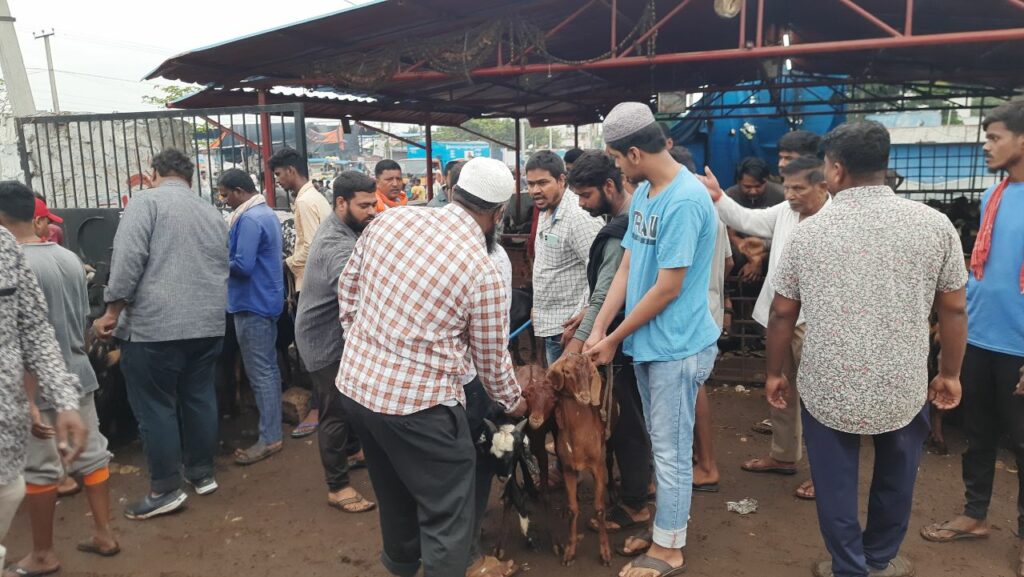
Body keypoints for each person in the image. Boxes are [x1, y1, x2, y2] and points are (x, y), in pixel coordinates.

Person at [766, 120, 967, 577]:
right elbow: (953, 310)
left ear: (834, 170)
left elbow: (782, 313)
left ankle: (848, 566)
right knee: (897, 475)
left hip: (828, 381)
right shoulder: (934, 225)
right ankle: (879, 558)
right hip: (902, 381)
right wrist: (950, 373)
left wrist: (775, 372)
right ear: (884, 164)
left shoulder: (809, 233)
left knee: (835, 483)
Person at [336, 157, 527, 577]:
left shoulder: (391, 222)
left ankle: (402, 568)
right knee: (448, 513)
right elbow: (492, 362)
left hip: (357, 389)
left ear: (454, 192)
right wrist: (514, 404)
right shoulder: (483, 271)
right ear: (498, 214)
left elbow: (348, 292)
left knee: (395, 495)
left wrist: (368, 349)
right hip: (421, 408)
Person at [585, 102, 720, 577]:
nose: (618, 167)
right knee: (663, 440)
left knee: (670, 447)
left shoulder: (683, 199)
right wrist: (600, 326)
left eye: (618, 159)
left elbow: (668, 287)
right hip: (649, 342)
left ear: (636, 152)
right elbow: (627, 265)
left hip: (675, 346)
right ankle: (666, 527)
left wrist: (615, 337)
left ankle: (669, 548)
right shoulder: (645, 193)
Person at [93, 148, 228, 520]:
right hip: (207, 325)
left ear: (154, 173)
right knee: (199, 397)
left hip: (156, 328)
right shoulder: (211, 212)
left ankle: (164, 489)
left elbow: (127, 260)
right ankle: (201, 474)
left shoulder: (146, 202)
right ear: (188, 177)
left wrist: (112, 311)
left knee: (155, 407)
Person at [919, 100, 1024, 577]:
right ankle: (975, 514)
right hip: (981, 338)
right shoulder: (992, 195)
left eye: (995, 136)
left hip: (1020, 347)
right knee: (978, 433)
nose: (986, 144)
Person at [701, 156, 830, 502]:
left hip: (817, 321)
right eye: (786, 187)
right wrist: (718, 198)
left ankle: (826, 474)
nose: (790, 194)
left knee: (821, 401)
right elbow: (749, 220)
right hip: (781, 318)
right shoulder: (786, 212)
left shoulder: (838, 220)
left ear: (824, 185)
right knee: (780, 389)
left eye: (799, 188)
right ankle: (784, 455)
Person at [0, 182, 100, 576]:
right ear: (38, 220)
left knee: (28, 478)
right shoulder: (69, 260)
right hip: (72, 371)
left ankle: (42, 552)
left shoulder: (10, 254)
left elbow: (33, 330)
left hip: (19, 414)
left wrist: (58, 398)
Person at [561, 150, 653, 538]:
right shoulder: (629, 218)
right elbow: (606, 288)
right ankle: (639, 484)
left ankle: (634, 504)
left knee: (626, 419)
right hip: (620, 333)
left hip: (623, 341)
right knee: (628, 417)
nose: (581, 205)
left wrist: (578, 345)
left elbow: (607, 292)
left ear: (610, 186)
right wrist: (588, 317)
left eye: (585, 195)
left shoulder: (622, 230)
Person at [293, 171, 377, 515]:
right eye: (364, 205)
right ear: (341, 203)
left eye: (374, 204)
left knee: (351, 401)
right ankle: (337, 487)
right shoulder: (335, 244)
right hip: (324, 342)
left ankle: (354, 451)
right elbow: (358, 290)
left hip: (336, 336)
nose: (372, 211)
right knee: (335, 411)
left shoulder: (348, 230)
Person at [670, 145, 729, 494]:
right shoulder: (713, 210)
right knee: (694, 388)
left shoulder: (687, 207)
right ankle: (701, 460)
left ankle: (706, 464)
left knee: (693, 390)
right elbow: (729, 262)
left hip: (693, 310)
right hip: (710, 305)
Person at [218, 169, 286, 465]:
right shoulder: (266, 213)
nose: (223, 200)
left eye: (224, 194)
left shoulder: (247, 219)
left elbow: (242, 265)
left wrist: (214, 259)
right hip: (265, 299)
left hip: (251, 302)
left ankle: (270, 437)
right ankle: (272, 430)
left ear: (237, 191)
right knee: (266, 369)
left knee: (261, 373)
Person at [269, 147, 330, 438]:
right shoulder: (314, 196)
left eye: (279, 174)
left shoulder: (305, 201)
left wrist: (285, 263)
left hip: (311, 285)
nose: (278, 180)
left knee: (313, 354)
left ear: (291, 171)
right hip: (319, 282)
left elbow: (311, 247)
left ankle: (319, 409)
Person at [528, 150, 603, 364]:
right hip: (551, 325)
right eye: (531, 184)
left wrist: (585, 317)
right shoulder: (546, 211)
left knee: (572, 395)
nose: (535, 190)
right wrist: (538, 307)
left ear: (562, 180)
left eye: (542, 183)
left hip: (570, 332)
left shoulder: (579, 217)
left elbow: (601, 270)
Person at [725, 156, 785, 285]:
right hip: (742, 250)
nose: (753, 191)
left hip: (771, 247)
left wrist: (759, 259)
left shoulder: (781, 196)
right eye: (747, 187)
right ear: (738, 182)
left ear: (766, 181)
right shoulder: (730, 196)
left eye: (758, 186)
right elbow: (730, 234)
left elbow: (785, 234)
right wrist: (749, 254)